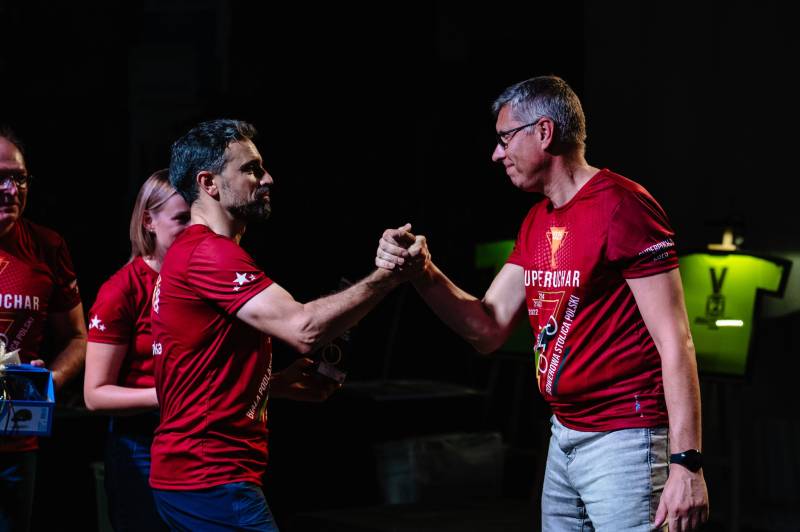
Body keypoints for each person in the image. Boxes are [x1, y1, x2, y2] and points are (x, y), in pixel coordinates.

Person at [376, 75, 710, 531]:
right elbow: (487, 328)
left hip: (625, 440)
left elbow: (676, 341)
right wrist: (423, 272)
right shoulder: (537, 221)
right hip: (563, 435)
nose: (497, 154)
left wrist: (686, 463)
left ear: (544, 132)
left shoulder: (622, 206)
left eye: (504, 139)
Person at [149, 118, 417, 531]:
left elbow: (197, 375)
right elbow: (303, 329)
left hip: (195, 478)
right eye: (251, 169)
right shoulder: (209, 255)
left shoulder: (192, 253)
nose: (268, 179)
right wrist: (389, 276)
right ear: (209, 183)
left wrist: (273, 385)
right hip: (211, 478)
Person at [0, 125, 87, 532]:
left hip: (15, 441)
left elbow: (78, 337)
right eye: (0, 178)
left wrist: (48, 380)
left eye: (19, 178)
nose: (11, 190)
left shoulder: (47, 246)